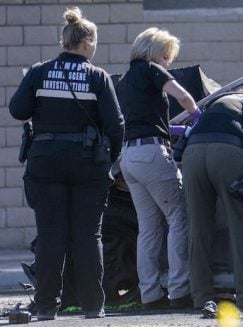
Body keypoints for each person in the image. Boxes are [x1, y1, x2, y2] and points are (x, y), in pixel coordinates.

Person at [8, 7, 124, 320]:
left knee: (50, 235)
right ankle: (92, 307)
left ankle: (46, 307)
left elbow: (18, 110)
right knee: (88, 236)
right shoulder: (97, 76)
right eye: (95, 40)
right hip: (88, 164)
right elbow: (116, 125)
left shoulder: (39, 71)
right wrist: (108, 161)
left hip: (45, 162)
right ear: (86, 42)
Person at [116, 27, 199, 309]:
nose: (169, 63)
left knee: (149, 227)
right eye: (167, 57)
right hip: (152, 155)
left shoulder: (126, 79)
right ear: (155, 54)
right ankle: (179, 291)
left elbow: (145, 121)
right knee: (179, 218)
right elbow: (184, 98)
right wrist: (199, 117)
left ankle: (150, 294)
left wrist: (175, 129)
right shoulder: (153, 69)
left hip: (129, 157)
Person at [183, 86, 243, 310]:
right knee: (241, 224)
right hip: (227, 153)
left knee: (197, 228)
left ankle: (201, 296)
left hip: (193, 154)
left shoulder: (220, 100)